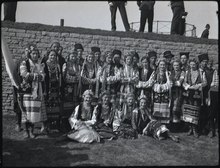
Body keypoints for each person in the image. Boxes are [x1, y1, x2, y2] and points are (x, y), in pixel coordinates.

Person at [19, 48, 47, 138]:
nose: (35, 55)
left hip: (37, 90)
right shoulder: (25, 63)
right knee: (27, 111)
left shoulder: (39, 64)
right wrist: (36, 75)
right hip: (27, 90)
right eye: (33, 53)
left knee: (34, 111)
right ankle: (26, 131)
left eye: (36, 54)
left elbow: (43, 76)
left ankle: (32, 130)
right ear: (30, 54)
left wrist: (38, 76)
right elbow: (24, 74)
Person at [182, 58, 207, 138]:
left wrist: (198, 86)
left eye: (194, 64)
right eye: (191, 64)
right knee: (188, 112)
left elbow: (205, 83)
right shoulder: (187, 72)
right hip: (188, 94)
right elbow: (184, 82)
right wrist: (188, 86)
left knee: (195, 111)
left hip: (197, 94)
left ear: (197, 65)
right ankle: (190, 128)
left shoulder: (201, 72)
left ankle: (195, 129)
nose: (192, 66)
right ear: (189, 64)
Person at [62, 51, 81, 131]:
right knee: (67, 106)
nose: (73, 58)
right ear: (69, 57)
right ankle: (65, 124)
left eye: (75, 56)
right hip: (68, 88)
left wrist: (77, 78)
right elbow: (65, 77)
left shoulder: (78, 66)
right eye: (72, 56)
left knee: (75, 105)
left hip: (76, 88)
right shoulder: (66, 65)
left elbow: (80, 76)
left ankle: (73, 124)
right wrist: (75, 79)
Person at [44, 49, 62, 131]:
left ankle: (55, 124)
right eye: (51, 55)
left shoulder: (57, 65)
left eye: (54, 55)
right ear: (48, 56)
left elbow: (60, 77)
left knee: (55, 106)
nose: (53, 57)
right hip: (48, 88)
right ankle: (47, 125)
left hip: (55, 89)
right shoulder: (44, 65)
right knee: (48, 106)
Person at [151, 58, 171, 124]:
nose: (162, 66)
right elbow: (151, 82)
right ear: (158, 65)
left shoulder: (168, 73)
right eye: (161, 65)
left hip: (165, 94)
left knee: (164, 108)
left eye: (163, 65)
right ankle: (156, 124)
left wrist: (163, 87)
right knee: (156, 109)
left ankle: (164, 124)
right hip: (156, 94)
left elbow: (169, 83)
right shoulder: (155, 73)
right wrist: (157, 87)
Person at [198, 53, 214, 135]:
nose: (204, 63)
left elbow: (209, 84)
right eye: (203, 61)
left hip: (207, 93)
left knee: (207, 111)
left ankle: (207, 128)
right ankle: (199, 128)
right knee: (199, 111)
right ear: (200, 62)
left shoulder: (209, 71)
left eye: (206, 61)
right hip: (198, 94)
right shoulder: (197, 70)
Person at [169, 59, 185, 130]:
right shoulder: (171, 73)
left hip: (179, 92)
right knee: (171, 107)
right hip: (171, 92)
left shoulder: (182, 73)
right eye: (174, 65)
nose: (176, 67)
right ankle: (172, 124)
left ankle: (177, 126)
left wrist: (173, 83)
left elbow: (179, 83)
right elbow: (169, 82)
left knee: (176, 108)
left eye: (177, 65)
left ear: (180, 66)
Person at [207, 63, 219, 137]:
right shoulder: (211, 73)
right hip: (212, 93)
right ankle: (212, 129)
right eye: (216, 66)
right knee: (212, 112)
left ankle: (217, 129)